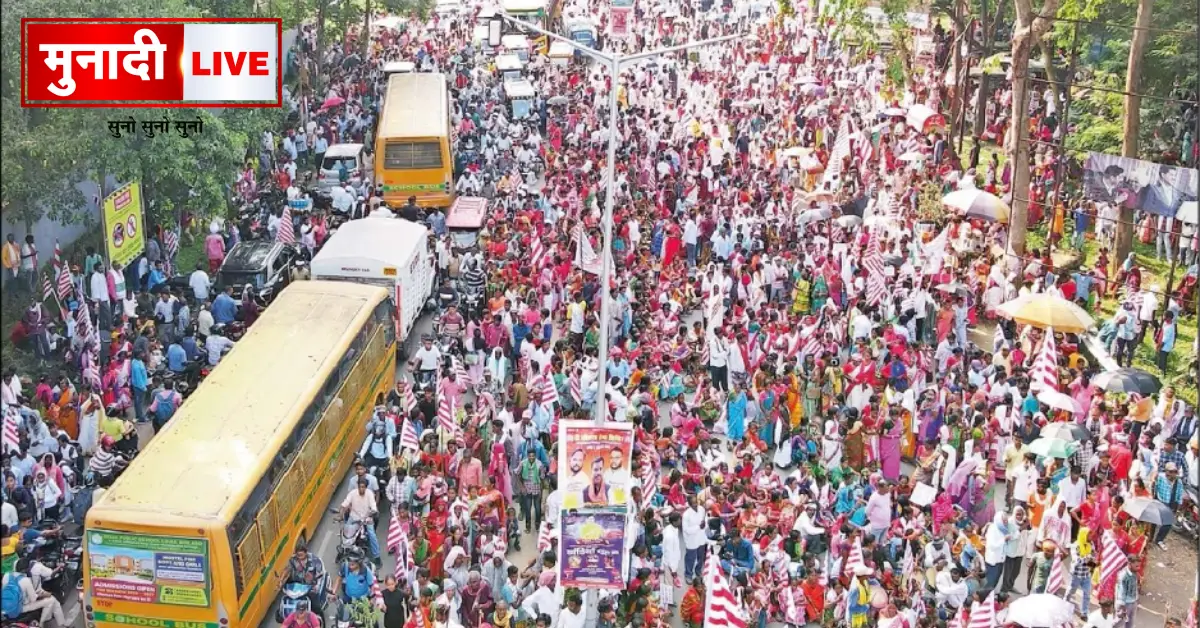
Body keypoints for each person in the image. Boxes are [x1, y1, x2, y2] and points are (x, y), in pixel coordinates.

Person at [2, 557, 67, 627]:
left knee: (54, 601)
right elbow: (33, 599)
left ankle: (62, 624)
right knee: (51, 600)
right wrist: (45, 595)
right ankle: (41, 624)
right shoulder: (25, 580)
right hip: (20, 608)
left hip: (4, 607)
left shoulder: (6, 575)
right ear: (25, 570)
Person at [341, 477, 381, 564]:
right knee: (345, 532)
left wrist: (371, 513)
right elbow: (345, 504)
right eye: (360, 487)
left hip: (366, 518)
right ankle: (342, 551)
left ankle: (377, 557)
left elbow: (373, 507)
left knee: (372, 535)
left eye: (363, 487)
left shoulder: (369, 494)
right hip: (354, 517)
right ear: (357, 486)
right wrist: (340, 515)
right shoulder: (352, 493)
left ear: (366, 487)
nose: (361, 489)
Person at [286, 543, 328, 611]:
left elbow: (320, 576)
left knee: (316, 608)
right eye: (298, 555)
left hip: (310, 588)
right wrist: (281, 580)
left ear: (306, 552)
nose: (299, 558)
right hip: (298, 588)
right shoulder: (293, 559)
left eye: (301, 555)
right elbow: (287, 569)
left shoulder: (315, 560)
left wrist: (316, 586)